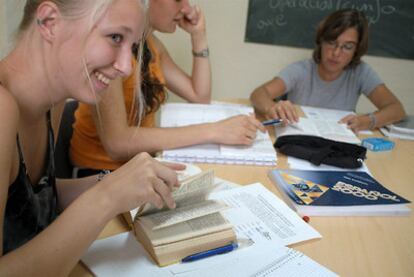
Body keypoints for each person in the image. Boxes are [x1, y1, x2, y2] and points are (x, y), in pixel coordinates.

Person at [0, 1, 182, 275]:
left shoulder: (54, 95)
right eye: (115, 38)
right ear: (49, 22)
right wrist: (106, 197)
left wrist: (111, 182)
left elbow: (30, 201)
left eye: (131, 46)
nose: (126, 67)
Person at [70, 0, 265, 177]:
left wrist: (199, 35)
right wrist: (215, 131)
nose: (187, 9)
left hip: (138, 167)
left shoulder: (152, 46)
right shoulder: (113, 53)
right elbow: (117, 143)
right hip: (99, 175)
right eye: (178, 0)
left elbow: (199, 96)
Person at [250, 9, 406, 132]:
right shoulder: (301, 70)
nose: (336, 53)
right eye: (332, 42)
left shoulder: (361, 72)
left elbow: (396, 109)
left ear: (356, 50)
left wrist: (367, 121)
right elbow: (258, 93)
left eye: (347, 46)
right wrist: (271, 107)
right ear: (321, 41)